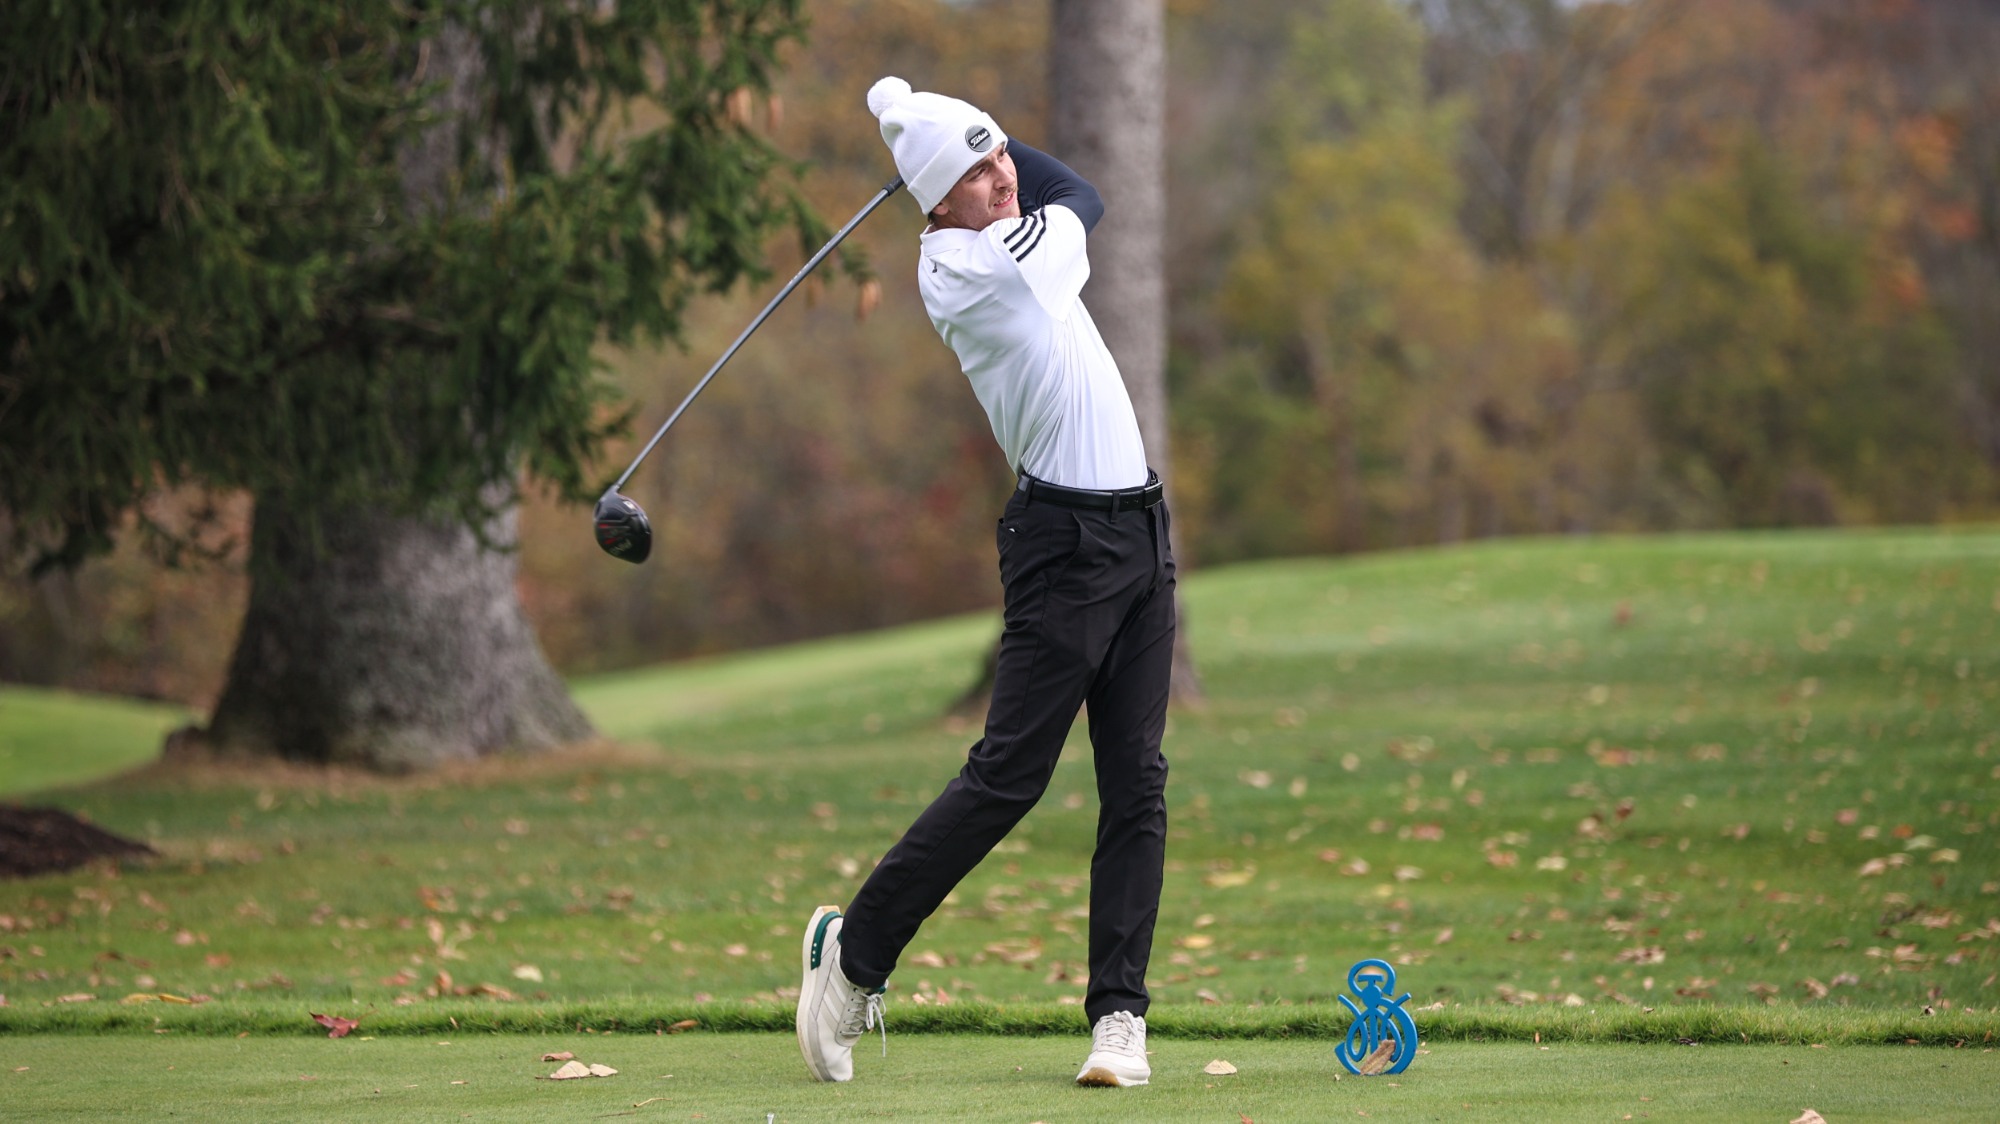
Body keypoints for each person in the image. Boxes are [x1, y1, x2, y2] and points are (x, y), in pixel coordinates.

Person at [795, 76, 1176, 1089]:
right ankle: (854, 958)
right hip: (1065, 545)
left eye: (1002, 152)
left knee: (1136, 781)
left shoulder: (991, 223)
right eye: (975, 171)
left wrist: (948, 132)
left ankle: (1119, 1020)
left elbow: (1038, 181)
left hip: (1139, 529)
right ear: (934, 203)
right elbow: (1082, 192)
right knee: (1008, 775)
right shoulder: (981, 265)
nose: (1004, 175)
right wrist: (955, 143)